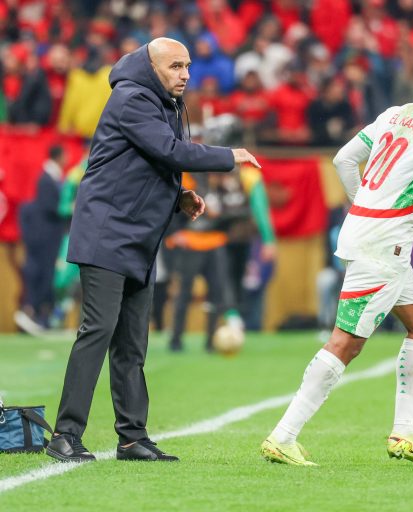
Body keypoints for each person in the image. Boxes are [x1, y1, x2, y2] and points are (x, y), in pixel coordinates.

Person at [261, 69, 413, 466]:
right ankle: (283, 436)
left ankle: (404, 433)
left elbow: (343, 159)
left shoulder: (399, 112)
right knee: (346, 342)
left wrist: (363, 207)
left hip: (372, 239)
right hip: (383, 248)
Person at [46, 38, 260, 464]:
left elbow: (140, 166)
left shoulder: (164, 103)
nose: (185, 74)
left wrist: (179, 196)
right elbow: (169, 150)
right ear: (151, 66)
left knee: (132, 342)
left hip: (137, 237)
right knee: (98, 331)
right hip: (107, 233)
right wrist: (228, 155)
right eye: (175, 66)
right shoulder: (132, 98)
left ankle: (132, 438)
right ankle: (65, 436)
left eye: (188, 66)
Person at [15, 145, 68, 333]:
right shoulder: (46, 179)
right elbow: (50, 207)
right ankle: (32, 312)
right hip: (45, 236)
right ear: (59, 156)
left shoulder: (54, 177)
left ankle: (41, 316)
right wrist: (69, 209)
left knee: (47, 275)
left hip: (50, 236)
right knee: (40, 274)